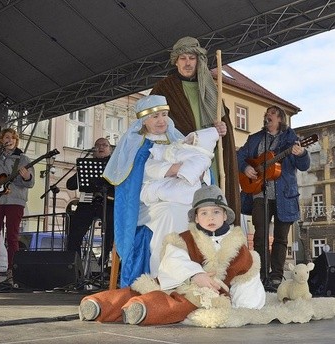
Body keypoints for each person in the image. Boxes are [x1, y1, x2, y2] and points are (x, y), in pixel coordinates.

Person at [78, 185, 265, 325]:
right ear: (196, 218)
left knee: (181, 303)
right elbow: (174, 258)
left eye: (216, 212)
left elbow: (247, 279)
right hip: (178, 281)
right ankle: (99, 304)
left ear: (225, 216)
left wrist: (245, 309)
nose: (211, 217)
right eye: (204, 213)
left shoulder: (237, 246)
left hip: (207, 295)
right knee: (141, 289)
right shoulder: (185, 238)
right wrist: (195, 274)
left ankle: (142, 310)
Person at [103, 95, 219, 287]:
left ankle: (202, 273)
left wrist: (197, 171)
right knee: (169, 212)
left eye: (164, 115)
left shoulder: (177, 139)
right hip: (147, 205)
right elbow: (138, 179)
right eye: (155, 116)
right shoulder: (136, 145)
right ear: (143, 120)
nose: (161, 120)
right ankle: (162, 276)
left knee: (204, 214)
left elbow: (199, 163)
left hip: (181, 196)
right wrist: (175, 169)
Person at [151, 36, 241, 224]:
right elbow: (152, 123)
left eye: (192, 58)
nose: (188, 63)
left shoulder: (210, 87)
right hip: (182, 158)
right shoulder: (164, 88)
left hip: (211, 157)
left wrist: (223, 128)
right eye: (183, 58)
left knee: (213, 204)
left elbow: (223, 123)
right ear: (176, 61)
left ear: (198, 61)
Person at [237, 105, 310, 291]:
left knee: (281, 238)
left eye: (272, 114)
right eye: (266, 114)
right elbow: (239, 155)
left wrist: (301, 153)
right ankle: (260, 275)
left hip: (285, 196)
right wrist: (245, 168)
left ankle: (276, 276)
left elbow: (303, 166)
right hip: (259, 194)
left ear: (280, 119)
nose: (267, 116)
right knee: (260, 236)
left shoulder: (291, 139)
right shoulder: (255, 139)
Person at [0, 128, 35, 284]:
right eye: (6, 137)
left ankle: (12, 271)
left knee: (12, 237)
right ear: (1, 140)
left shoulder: (23, 159)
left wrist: (26, 176)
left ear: (16, 141)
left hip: (15, 201)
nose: (9, 140)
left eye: (13, 138)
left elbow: (31, 182)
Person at [66, 137, 114, 270]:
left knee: (112, 224)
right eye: (98, 145)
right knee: (74, 231)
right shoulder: (86, 164)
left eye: (104, 145)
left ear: (110, 149)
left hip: (108, 203)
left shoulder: (115, 165)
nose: (101, 147)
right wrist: (81, 171)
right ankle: (75, 267)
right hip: (88, 202)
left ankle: (105, 259)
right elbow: (70, 185)